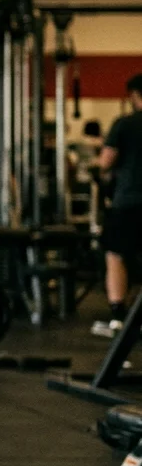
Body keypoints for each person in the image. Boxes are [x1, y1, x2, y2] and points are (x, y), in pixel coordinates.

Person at [93, 75, 142, 337]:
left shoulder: (125, 124)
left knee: (116, 256)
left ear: (135, 95)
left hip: (129, 200)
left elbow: (106, 161)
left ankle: (118, 316)